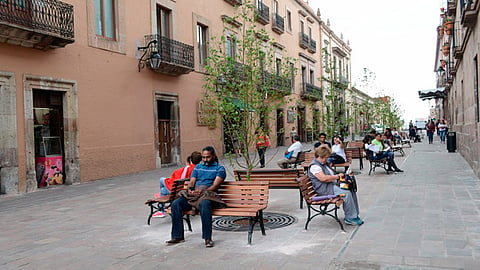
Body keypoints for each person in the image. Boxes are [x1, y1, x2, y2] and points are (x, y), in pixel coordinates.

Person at [166, 146, 226, 248]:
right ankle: (178, 236)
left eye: (208, 157)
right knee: (176, 203)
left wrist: (202, 191)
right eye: (203, 157)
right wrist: (190, 189)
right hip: (194, 195)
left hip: (209, 195)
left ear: (213, 156)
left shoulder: (219, 169)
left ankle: (207, 238)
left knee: (204, 204)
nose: (205, 160)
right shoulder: (198, 167)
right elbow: (192, 181)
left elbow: (215, 185)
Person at [308, 145, 363, 226]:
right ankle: (350, 217)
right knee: (346, 194)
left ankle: (354, 215)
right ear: (320, 156)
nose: (327, 159)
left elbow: (331, 175)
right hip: (324, 189)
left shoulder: (324, 164)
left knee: (351, 189)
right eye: (326, 157)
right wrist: (337, 176)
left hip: (331, 185)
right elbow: (323, 178)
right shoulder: (315, 166)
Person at [153, 151, 202, 218]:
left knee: (161, 180)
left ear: (190, 160)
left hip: (179, 191)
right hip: (189, 191)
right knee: (163, 190)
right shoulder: (200, 168)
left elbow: (180, 180)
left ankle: (161, 210)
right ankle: (162, 197)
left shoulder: (188, 168)